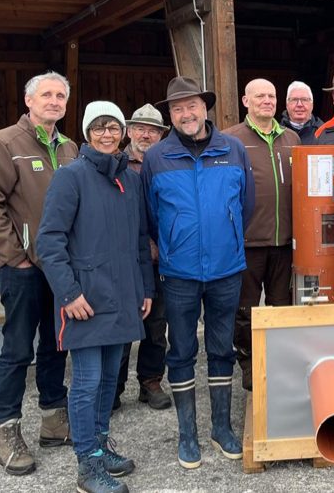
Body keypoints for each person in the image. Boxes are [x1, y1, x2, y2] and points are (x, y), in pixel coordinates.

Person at [37, 101, 154, 493]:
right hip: (85, 300)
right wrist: (68, 293)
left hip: (122, 296)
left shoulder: (130, 180)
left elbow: (140, 240)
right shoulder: (70, 177)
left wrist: (145, 288)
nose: (108, 134)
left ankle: (100, 447)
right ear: (87, 133)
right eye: (99, 127)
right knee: (87, 382)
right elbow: (48, 241)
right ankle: (86, 462)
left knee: (108, 380)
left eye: (114, 127)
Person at [141, 76, 254, 468]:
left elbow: (245, 205)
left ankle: (220, 428)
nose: (186, 114)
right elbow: (151, 218)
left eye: (192, 106)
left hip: (226, 270)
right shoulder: (157, 158)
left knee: (221, 348)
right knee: (182, 349)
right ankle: (187, 434)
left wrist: (228, 237)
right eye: (177, 108)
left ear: (204, 108)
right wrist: (173, 242)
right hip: (180, 273)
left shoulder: (233, 149)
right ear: (170, 115)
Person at [0, 70, 77, 475]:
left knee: (56, 345)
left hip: (60, 268)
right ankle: (8, 429)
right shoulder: (4, 143)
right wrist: (15, 255)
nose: (54, 101)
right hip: (24, 270)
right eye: (46, 95)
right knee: (17, 350)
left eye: (60, 96)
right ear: (29, 101)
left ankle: (53, 420)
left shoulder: (70, 148)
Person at [223, 79, 300, 391]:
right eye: (260, 96)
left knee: (282, 306)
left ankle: (281, 361)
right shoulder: (230, 140)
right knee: (246, 309)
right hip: (248, 242)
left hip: (285, 242)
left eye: (272, 95)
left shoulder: (292, 138)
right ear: (246, 101)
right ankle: (248, 362)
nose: (267, 101)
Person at [114, 104, 171, 411]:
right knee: (122, 322)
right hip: (125, 259)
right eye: (139, 128)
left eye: (152, 130)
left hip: (161, 258)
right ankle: (114, 385)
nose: (145, 134)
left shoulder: (167, 163)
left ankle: (150, 381)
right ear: (129, 132)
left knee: (157, 323)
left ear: (161, 135)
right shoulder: (116, 164)